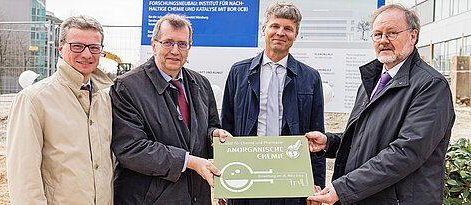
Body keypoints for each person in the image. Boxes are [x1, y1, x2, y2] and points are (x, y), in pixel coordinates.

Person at [306, 4, 455, 205]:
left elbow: (407, 152)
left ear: (413, 36)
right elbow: (366, 139)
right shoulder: (374, 80)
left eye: (392, 33)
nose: (383, 40)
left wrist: (343, 188)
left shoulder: (431, 86)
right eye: (377, 34)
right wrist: (329, 143)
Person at [110, 14, 231, 204]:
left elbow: (208, 128)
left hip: (195, 197)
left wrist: (214, 136)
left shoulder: (201, 84)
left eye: (182, 44)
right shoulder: (126, 87)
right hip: (148, 199)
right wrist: (188, 161)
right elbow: (130, 148)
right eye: (168, 43)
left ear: (189, 47)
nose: (175, 50)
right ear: (154, 45)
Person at [220, 2, 326, 204]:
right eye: (275, 26)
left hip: (290, 181)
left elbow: (316, 136)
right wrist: (225, 180)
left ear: (295, 35)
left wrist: (316, 185)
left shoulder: (310, 77)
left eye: (288, 28)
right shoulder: (238, 73)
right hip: (246, 179)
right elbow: (227, 128)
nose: (280, 33)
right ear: (263, 30)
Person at [6, 15, 113, 204]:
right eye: (77, 46)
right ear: (61, 48)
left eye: (94, 48)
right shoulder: (33, 100)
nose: (87, 54)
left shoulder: (106, 98)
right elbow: (24, 174)